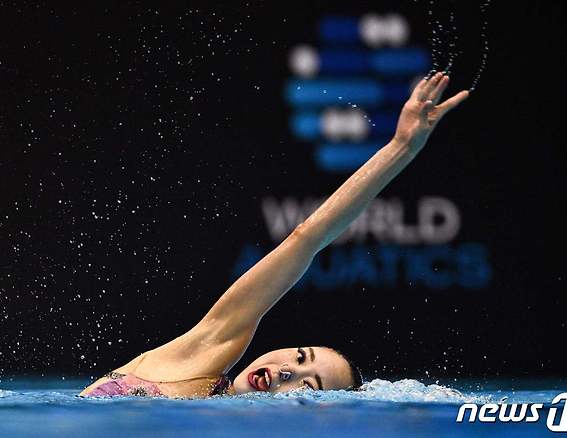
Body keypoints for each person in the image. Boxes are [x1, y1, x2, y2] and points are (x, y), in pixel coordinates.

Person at [79, 71, 469, 398]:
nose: (287, 372)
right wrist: (401, 147)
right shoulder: (202, 353)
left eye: (308, 387)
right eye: (299, 358)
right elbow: (307, 237)